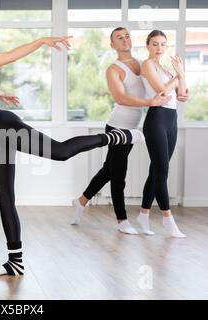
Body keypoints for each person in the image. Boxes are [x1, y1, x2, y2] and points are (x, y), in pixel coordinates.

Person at [0, 18, 145, 277]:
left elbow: (9, 56)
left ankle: (115, 137)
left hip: (0, 123)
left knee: (60, 152)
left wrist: (40, 41)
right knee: (5, 198)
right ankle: (15, 261)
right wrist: (1, 93)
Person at [71, 27, 174, 234]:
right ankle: (122, 220)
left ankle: (81, 201)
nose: (125, 39)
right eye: (119, 37)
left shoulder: (142, 63)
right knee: (118, 174)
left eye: (127, 35)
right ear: (112, 45)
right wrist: (150, 102)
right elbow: (120, 98)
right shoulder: (114, 69)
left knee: (108, 169)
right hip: (118, 126)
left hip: (133, 126)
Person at [138, 30, 188, 238]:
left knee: (156, 171)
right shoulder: (147, 65)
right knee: (162, 172)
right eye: (155, 44)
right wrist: (176, 80)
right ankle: (168, 219)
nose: (159, 48)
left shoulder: (167, 69)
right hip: (156, 119)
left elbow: (183, 95)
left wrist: (180, 75)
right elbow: (162, 93)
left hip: (171, 120)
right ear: (148, 45)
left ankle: (143, 214)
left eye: (163, 45)